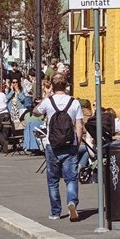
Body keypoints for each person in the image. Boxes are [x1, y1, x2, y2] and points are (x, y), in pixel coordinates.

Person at [36, 73, 84, 222]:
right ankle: (71, 202)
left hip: (52, 145)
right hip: (70, 144)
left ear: (52, 85)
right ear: (66, 85)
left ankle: (55, 212)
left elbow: (36, 111)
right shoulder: (74, 102)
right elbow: (79, 125)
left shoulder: (48, 102)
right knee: (71, 178)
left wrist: (47, 94)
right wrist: (78, 141)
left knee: (53, 180)